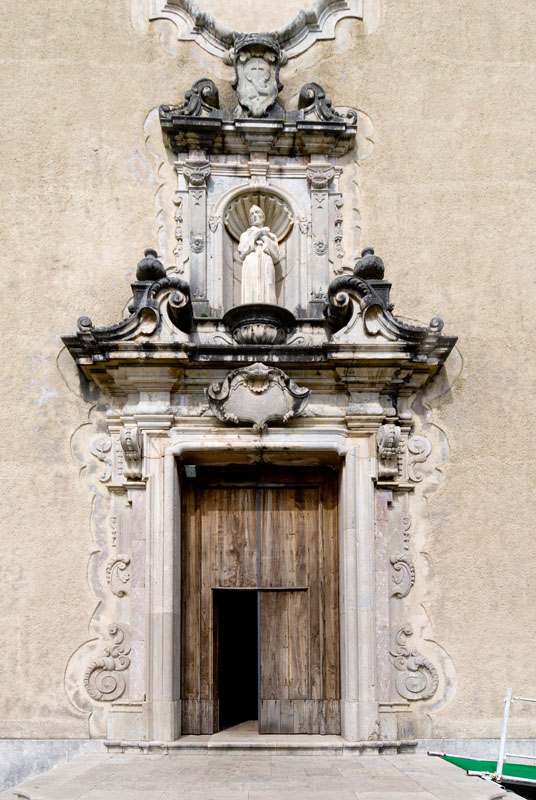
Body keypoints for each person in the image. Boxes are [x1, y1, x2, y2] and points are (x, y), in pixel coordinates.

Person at [237, 205, 280, 305]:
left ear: (263, 217)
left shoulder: (272, 236)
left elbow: (276, 255)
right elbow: (242, 251)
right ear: (250, 221)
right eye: (252, 214)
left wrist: (264, 236)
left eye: (257, 212)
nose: (255, 215)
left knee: (268, 284)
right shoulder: (245, 235)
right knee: (251, 285)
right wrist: (258, 233)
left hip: (266, 261)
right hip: (251, 262)